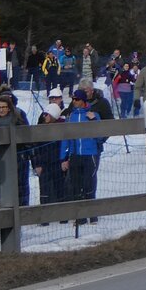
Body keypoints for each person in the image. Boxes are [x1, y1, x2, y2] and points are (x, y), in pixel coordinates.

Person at [60, 89, 101, 224]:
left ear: (83, 101)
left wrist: (94, 120)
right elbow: (66, 138)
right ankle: (80, 217)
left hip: (90, 154)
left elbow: (100, 135)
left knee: (89, 183)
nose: (74, 101)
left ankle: (92, 214)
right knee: (76, 185)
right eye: (73, 99)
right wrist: (64, 158)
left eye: (76, 99)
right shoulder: (71, 117)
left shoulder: (93, 115)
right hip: (75, 154)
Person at [31, 104, 65, 219]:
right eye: (44, 114)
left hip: (57, 162)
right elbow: (35, 148)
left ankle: (62, 215)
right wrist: (37, 164)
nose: (44, 116)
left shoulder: (62, 128)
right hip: (44, 163)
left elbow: (66, 146)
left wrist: (65, 160)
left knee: (59, 188)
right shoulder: (40, 128)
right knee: (44, 189)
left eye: (47, 115)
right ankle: (44, 216)